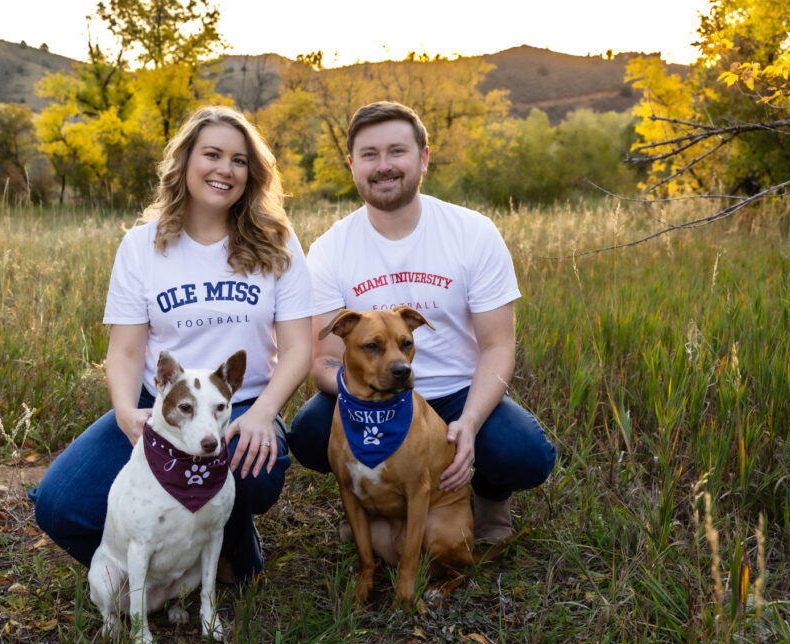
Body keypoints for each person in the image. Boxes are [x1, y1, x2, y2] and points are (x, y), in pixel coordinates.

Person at [29, 106, 313, 583]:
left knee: (255, 476)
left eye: (240, 160)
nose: (226, 169)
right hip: (161, 405)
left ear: (253, 173)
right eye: (213, 154)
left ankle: (230, 551)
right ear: (184, 162)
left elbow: (299, 348)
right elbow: (124, 351)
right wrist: (125, 413)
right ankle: (160, 568)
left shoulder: (277, 242)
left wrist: (264, 413)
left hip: (238, 405)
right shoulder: (142, 246)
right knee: (60, 507)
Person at [287, 101, 555, 544]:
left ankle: (486, 496)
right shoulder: (331, 249)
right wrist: (371, 400)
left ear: (424, 158)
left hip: (454, 395)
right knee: (311, 431)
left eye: (397, 151)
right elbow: (323, 360)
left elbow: (498, 346)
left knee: (523, 453)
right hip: (370, 397)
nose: (384, 166)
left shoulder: (473, 232)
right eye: (369, 155)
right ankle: (368, 496)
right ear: (352, 165)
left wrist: (467, 423)